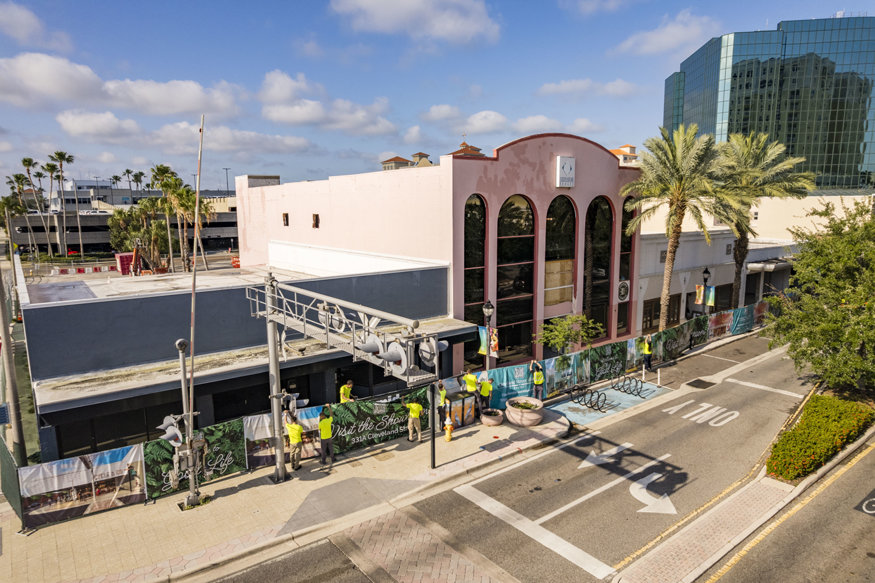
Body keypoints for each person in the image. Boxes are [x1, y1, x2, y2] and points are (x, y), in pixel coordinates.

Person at [318, 404, 335, 470]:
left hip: (323, 438)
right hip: (329, 437)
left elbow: (319, 429)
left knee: (323, 450)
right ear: (324, 416)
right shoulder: (328, 420)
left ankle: (323, 461)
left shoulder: (320, 423)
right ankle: (333, 459)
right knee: (331, 449)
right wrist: (329, 407)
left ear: (321, 417)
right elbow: (331, 414)